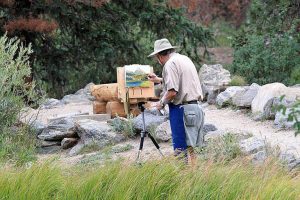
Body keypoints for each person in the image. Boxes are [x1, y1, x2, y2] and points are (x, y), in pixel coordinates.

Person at [147, 38, 205, 165]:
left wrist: (161, 103)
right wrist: (159, 80)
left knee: (180, 151)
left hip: (182, 110)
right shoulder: (184, 59)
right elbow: (182, 81)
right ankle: (196, 178)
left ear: (158, 56)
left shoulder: (169, 64)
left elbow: (172, 92)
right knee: (192, 148)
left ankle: (183, 180)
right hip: (194, 108)